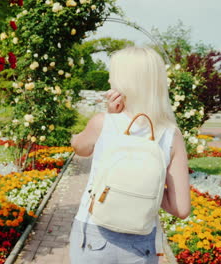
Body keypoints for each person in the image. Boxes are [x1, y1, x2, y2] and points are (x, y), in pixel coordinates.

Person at [69, 46, 191, 264]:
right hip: (141, 237)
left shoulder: (103, 123)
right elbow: (181, 209)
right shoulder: (171, 135)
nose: (109, 82)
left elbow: (80, 148)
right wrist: (145, 187)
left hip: (95, 231)